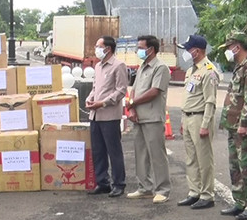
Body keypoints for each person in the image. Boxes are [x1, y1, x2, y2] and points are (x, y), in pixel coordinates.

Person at [217, 31, 247, 220]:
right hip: (233, 126)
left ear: (238, 46)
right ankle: (240, 202)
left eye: (229, 47)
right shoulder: (240, 67)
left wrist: (244, 124)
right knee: (235, 166)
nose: (228, 51)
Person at [175, 35, 219, 210]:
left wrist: (205, 124)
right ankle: (194, 192)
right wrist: (182, 119)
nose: (186, 53)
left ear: (197, 51)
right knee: (191, 159)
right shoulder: (191, 71)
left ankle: (207, 195)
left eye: (188, 49)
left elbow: (210, 101)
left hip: (200, 117)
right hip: (188, 118)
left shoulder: (209, 71)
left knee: (204, 159)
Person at [126, 35, 172, 204]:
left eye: (140, 47)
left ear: (151, 49)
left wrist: (132, 103)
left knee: (157, 155)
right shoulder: (142, 67)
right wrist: (132, 108)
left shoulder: (161, 68)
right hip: (138, 117)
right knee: (140, 154)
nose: (138, 50)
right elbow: (134, 89)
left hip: (152, 117)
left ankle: (163, 190)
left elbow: (154, 91)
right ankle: (144, 187)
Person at [85, 35, 128, 197]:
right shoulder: (98, 66)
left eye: (98, 46)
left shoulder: (118, 65)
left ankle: (119, 183)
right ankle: (102, 182)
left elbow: (121, 90)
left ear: (107, 49)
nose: (96, 50)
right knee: (98, 151)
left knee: (113, 151)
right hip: (95, 115)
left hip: (109, 115)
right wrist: (90, 98)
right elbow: (95, 87)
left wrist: (102, 103)